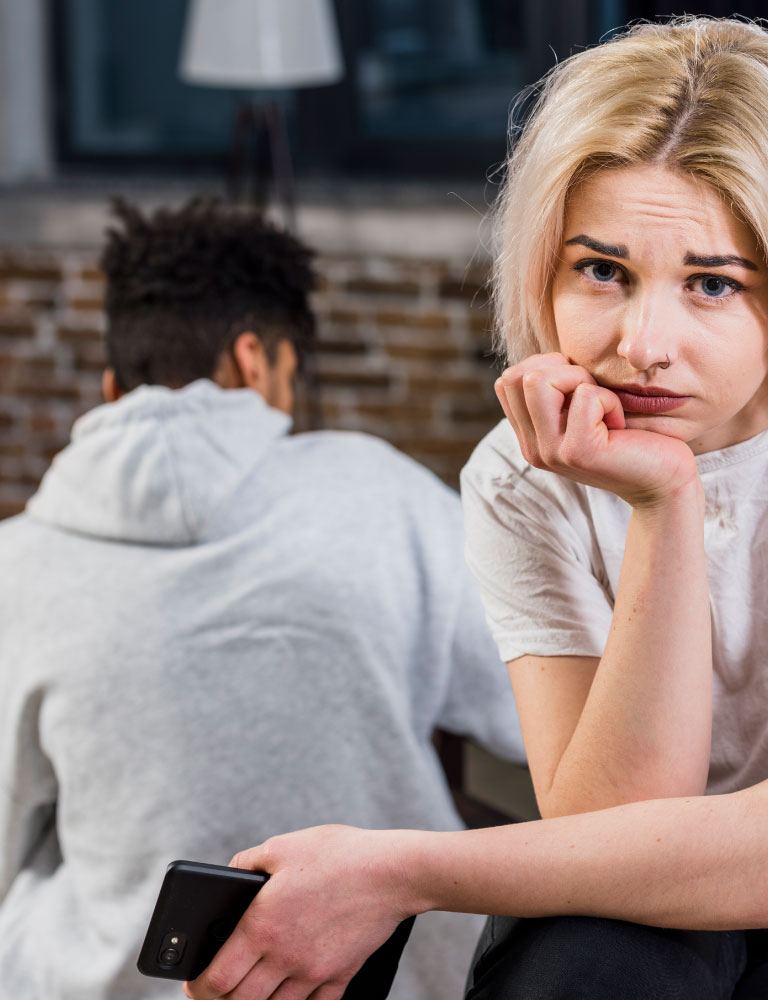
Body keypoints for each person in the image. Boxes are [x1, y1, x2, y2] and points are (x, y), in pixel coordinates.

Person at [185, 17, 768, 1000]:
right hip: (638, 884)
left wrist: (398, 871)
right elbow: (613, 821)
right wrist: (663, 504)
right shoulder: (518, 476)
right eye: (602, 270)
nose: (642, 343)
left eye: (711, 284)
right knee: (583, 972)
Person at [0, 198, 525, 1000]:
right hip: (384, 977)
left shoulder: (17, 562)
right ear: (255, 361)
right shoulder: (379, 490)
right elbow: (535, 721)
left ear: (113, 389)